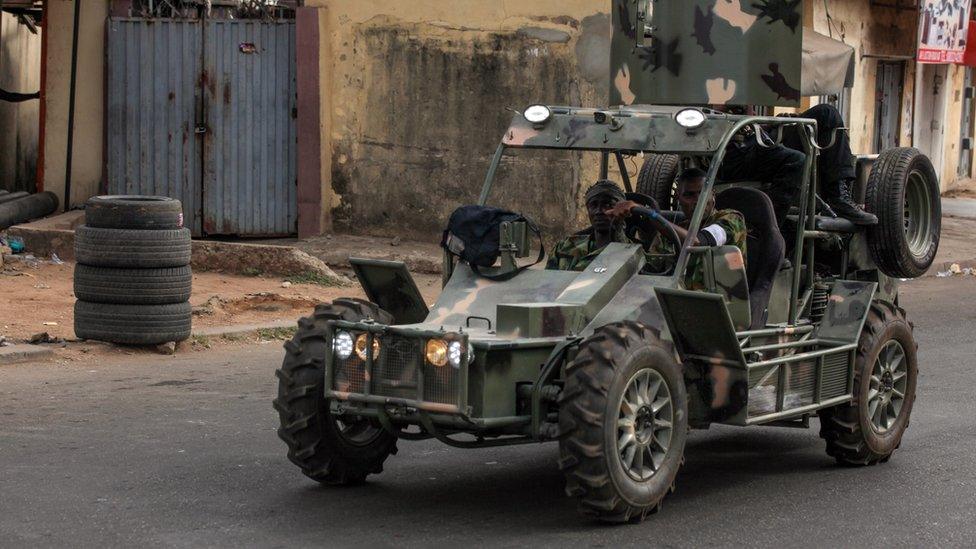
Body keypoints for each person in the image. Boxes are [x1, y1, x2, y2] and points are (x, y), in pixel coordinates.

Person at [716, 103, 877, 226]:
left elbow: (749, 116)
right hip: (730, 148)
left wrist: (772, 122)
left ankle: (838, 196)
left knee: (827, 113)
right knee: (796, 161)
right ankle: (769, 230)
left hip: (759, 135)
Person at [635, 168, 748, 290]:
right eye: (689, 195)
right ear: (679, 199)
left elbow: (698, 242)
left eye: (703, 193)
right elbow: (649, 269)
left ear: (713, 194)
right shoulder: (672, 233)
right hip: (675, 298)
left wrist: (651, 215)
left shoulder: (732, 219)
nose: (698, 201)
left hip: (722, 301)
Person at [546, 180, 639, 272]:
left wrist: (617, 226)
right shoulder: (565, 247)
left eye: (607, 205)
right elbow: (546, 283)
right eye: (593, 205)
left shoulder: (632, 253)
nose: (598, 211)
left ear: (621, 211)